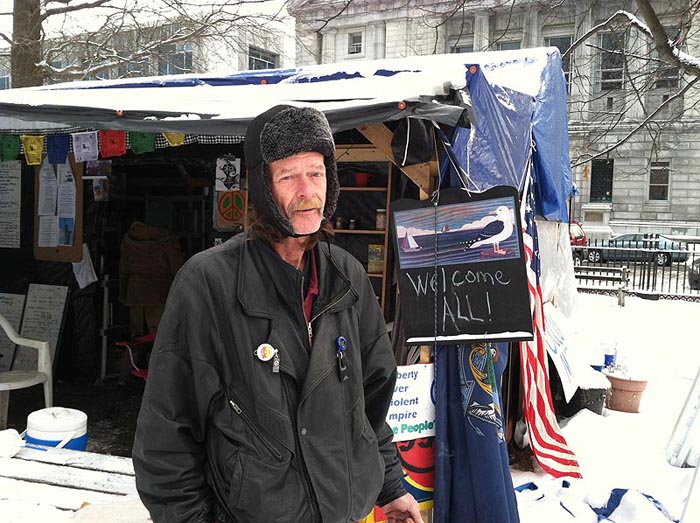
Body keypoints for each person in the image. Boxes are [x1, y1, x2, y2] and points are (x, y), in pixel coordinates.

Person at [132, 105, 423, 523]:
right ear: (264, 188)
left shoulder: (348, 276)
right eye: (289, 176)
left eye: (317, 172)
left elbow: (370, 403)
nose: (308, 191)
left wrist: (390, 487)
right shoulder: (208, 283)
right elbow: (166, 436)